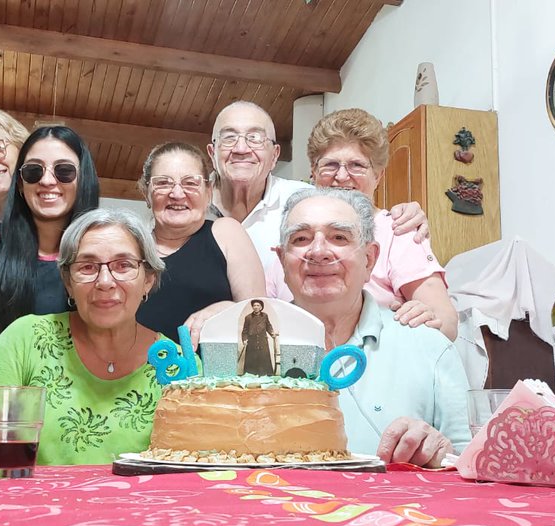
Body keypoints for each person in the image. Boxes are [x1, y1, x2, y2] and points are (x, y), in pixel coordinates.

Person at [275, 187, 471, 468]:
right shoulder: (243, 350)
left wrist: (440, 453)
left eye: (339, 237)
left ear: (369, 259)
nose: (318, 252)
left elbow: (471, 465)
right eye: (301, 238)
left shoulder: (429, 346)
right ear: (282, 259)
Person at [0, 208, 167, 466]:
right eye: (87, 267)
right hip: (29, 505)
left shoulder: (175, 364)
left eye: (124, 265)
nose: (104, 281)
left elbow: (190, 475)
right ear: (68, 281)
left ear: (148, 279)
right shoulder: (25, 341)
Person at [266, 108, 459, 340]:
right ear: (313, 173)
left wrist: (423, 318)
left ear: (378, 175)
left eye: (356, 165)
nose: (342, 176)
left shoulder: (398, 230)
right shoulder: (293, 237)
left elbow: (445, 322)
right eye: (330, 165)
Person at [207, 101, 430, 273]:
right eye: (228, 138)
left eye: (255, 138)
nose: (241, 148)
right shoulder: (183, 202)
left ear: (275, 155)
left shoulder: (303, 201)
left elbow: (356, 204)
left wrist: (408, 214)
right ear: (211, 152)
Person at [0, 126, 100, 350]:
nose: (47, 181)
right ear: (21, 184)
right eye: (34, 171)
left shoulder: (104, 259)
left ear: (83, 181)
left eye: (64, 170)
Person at [134, 142, 264, 342]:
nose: (177, 194)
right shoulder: (132, 247)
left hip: (216, 371)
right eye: (163, 183)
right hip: (138, 370)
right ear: (146, 192)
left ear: (209, 191)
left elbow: (260, 315)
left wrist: (228, 309)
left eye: (190, 183)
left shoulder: (226, 232)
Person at [238, 299, 277, 376]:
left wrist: (272, 333)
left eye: (258, 305)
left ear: (261, 307)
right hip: (252, 342)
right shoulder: (248, 317)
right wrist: (244, 339)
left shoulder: (265, 316)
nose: (256, 307)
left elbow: (268, 326)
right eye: (254, 305)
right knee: (252, 359)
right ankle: (251, 376)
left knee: (264, 359)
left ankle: (266, 375)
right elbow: (245, 330)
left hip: (263, 341)